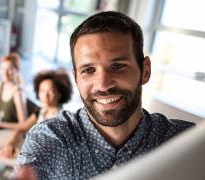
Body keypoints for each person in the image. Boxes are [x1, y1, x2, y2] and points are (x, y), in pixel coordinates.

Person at [14, 11, 195, 179]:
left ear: (145, 71)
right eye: (89, 70)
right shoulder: (50, 137)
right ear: (76, 78)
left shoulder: (185, 142)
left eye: (118, 66)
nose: (103, 84)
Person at [0, 70, 72, 159]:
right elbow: (22, 128)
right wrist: (11, 143)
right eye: (42, 91)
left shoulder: (63, 118)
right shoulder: (40, 111)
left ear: (60, 94)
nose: (46, 95)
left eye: (51, 91)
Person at [0, 54, 27, 130]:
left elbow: (23, 125)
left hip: (12, 132)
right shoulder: (0, 84)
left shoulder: (18, 93)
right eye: (2, 69)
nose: (5, 73)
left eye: (9, 69)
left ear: (17, 70)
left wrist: (0, 125)